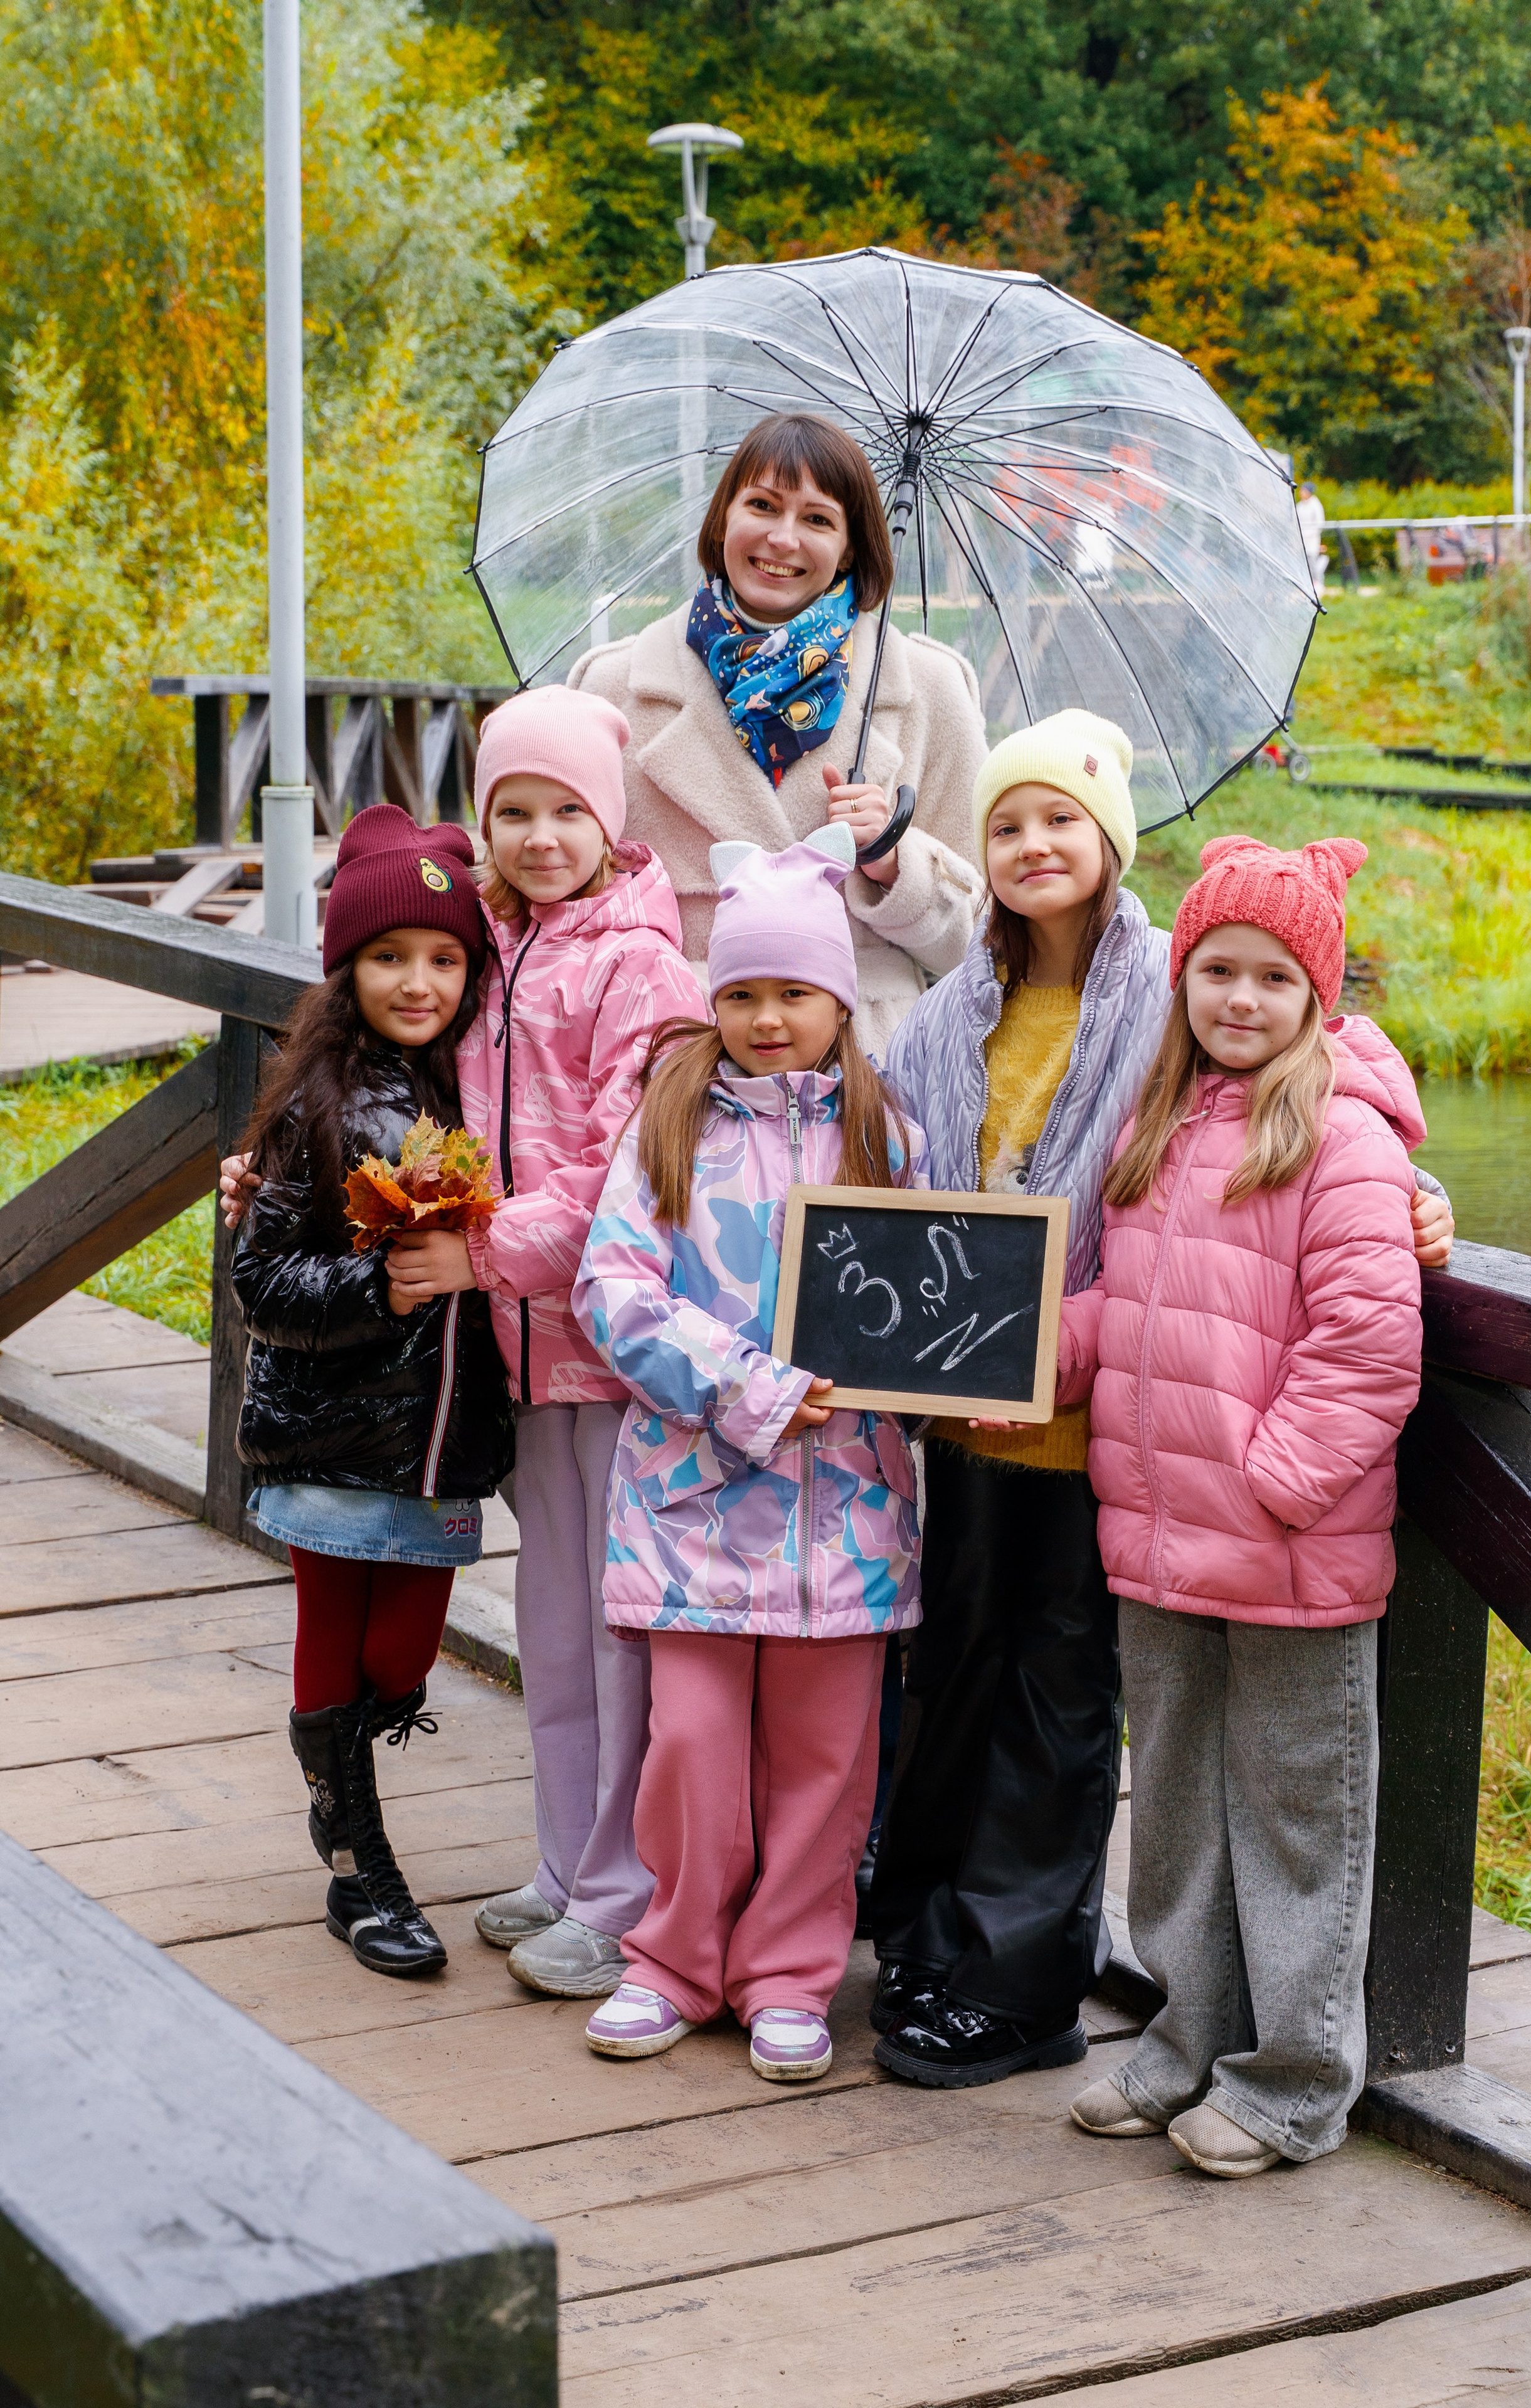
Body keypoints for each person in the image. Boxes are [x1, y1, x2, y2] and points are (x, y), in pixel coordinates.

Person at [867, 713, 1456, 2089]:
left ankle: (1033, 1983)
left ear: (1111, 841)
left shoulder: (1171, 1021)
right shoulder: (964, 1002)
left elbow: (1335, 1238)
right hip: (993, 1407)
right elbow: (955, 1199)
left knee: (1069, 1707)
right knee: (962, 1677)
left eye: (1059, 821)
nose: (1029, 847)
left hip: (1146, 1459)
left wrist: (1276, 1465)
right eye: (1005, 823)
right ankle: (944, 1938)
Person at [1062, 835, 1424, 2176]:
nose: (1238, 998)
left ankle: (1291, 2079)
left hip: (1284, 1549)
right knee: (1169, 1812)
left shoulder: (1338, 1139)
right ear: (1182, 978)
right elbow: (1143, 1307)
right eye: (1215, 969)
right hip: (1159, 1543)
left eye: (1273, 976)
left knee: (1293, 1815)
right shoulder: (1159, 1125)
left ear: (1315, 994)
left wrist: (1270, 1485)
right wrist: (1046, 1346)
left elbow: (1365, 1347)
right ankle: (1183, 2040)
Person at [571, 825, 926, 2083]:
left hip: (849, 1517)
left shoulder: (890, 1141)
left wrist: (948, 1381)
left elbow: (937, 1302)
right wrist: (752, 1388)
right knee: (694, 1746)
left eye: (792, 994)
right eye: (740, 993)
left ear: (838, 998)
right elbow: (611, 1292)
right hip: (692, 1511)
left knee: (828, 1764)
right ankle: (671, 1958)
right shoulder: (670, 1132)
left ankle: (788, 1971)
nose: (766, 1018)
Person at [386, 687, 708, 2002]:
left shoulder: (640, 960)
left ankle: (629, 1893)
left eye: (563, 810)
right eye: (510, 811)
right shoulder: (497, 946)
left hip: (614, 1346)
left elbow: (636, 1162)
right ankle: (566, 1862)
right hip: (524, 1353)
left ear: (606, 819)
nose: (536, 835)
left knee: (624, 1633)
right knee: (555, 1626)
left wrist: (489, 1250)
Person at [231, 805, 515, 1980]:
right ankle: (360, 1860)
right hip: (334, 1437)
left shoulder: (490, 1090)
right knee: (333, 1639)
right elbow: (262, 1281)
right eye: (390, 958)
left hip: (445, 1444)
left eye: (445, 958)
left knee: (403, 1659)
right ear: (346, 969)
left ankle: (335, 1771)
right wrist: (379, 1290)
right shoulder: (321, 1104)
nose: (418, 981)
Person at [569, 410, 987, 1058]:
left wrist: (891, 862)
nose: (782, 539)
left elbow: (980, 939)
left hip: (867, 1071)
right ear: (723, 519)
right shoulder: (615, 687)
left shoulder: (928, 688)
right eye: (762, 505)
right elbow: (561, 905)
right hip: (670, 1055)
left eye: (817, 519)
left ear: (850, 547)